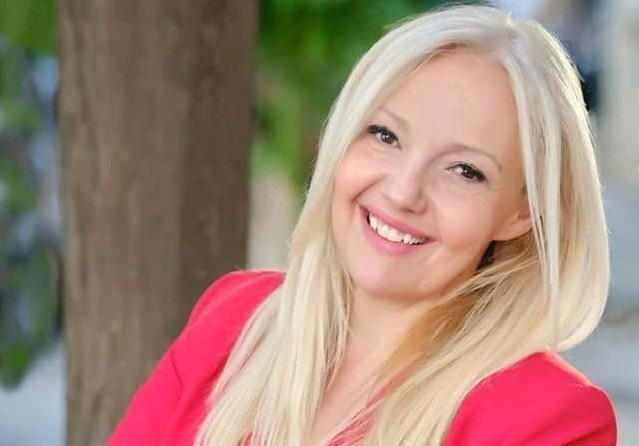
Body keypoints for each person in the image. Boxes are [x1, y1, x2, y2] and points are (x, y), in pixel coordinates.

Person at [107, 5, 617, 445]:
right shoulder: (232, 320)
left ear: (522, 212)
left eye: (465, 170)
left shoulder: (550, 419)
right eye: (385, 136)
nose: (402, 192)